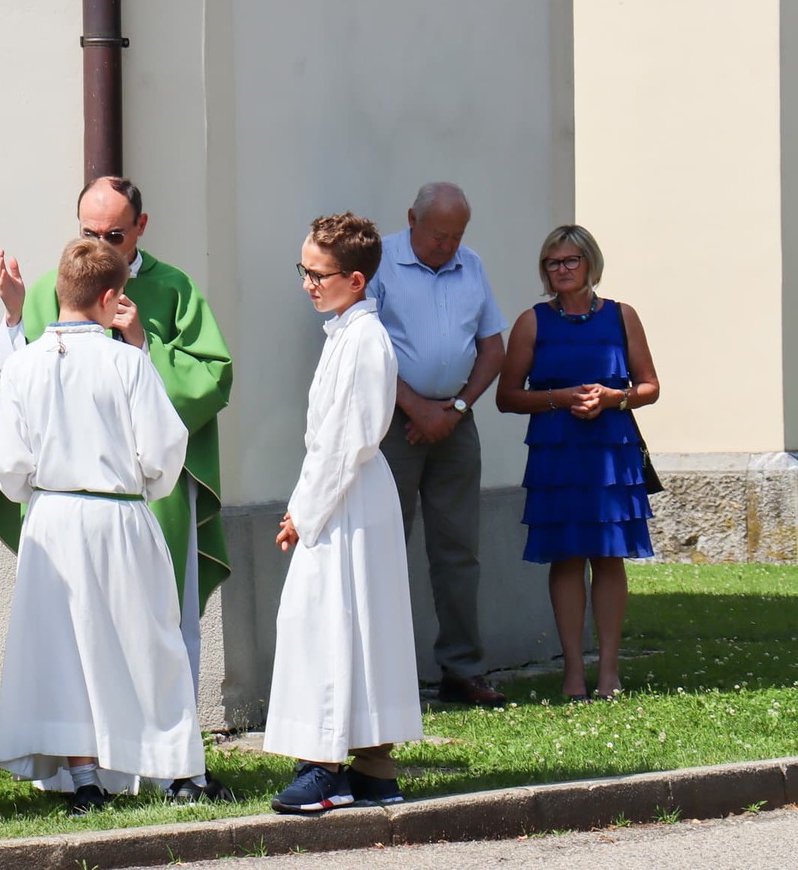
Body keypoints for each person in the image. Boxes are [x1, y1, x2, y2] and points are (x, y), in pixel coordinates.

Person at [0, 176, 234, 800]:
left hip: (53, 517)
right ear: (107, 294)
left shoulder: (33, 359)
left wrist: (40, 490)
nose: (101, 241)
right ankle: (174, 772)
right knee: (148, 645)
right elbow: (163, 451)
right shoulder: (126, 362)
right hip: (120, 513)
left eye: (113, 232)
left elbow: (5, 458)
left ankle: (85, 776)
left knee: (64, 650)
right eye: (90, 232)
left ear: (139, 227)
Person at [266, 213, 423, 814]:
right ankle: (373, 767)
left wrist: (303, 511)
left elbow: (344, 441)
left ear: (356, 280)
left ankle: (323, 767)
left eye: (319, 274)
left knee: (330, 621)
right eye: (303, 270)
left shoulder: (363, 340)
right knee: (354, 623)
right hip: (346, 491)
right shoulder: (344, 333)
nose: (307, 283)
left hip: (347, 494)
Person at [496, 225, 659, 701]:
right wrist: (561, 398)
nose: (562, 270)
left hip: (611, 451)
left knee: (609, 555)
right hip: (557, 451)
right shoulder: (532, 322)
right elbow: (507, 396)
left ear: (591, 264)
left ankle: (608, 672)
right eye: (553, 262)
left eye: (570, 260)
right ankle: (572, 672)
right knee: (566, 558)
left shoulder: (622, 316)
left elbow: (650, 386)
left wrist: (613, 398)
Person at [371, 182, 508, 706]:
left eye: (456, 236)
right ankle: (385, 674)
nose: (448, 246)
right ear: (412, 219)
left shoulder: (471, 266)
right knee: (385, 546)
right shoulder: (380, 262)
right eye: (438, 236)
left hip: (455, 423)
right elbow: (366, 347)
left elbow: (492, 347)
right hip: (393, 423)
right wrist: (416, 408)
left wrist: (456, 409)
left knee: (458, 550)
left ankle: (462, 669)